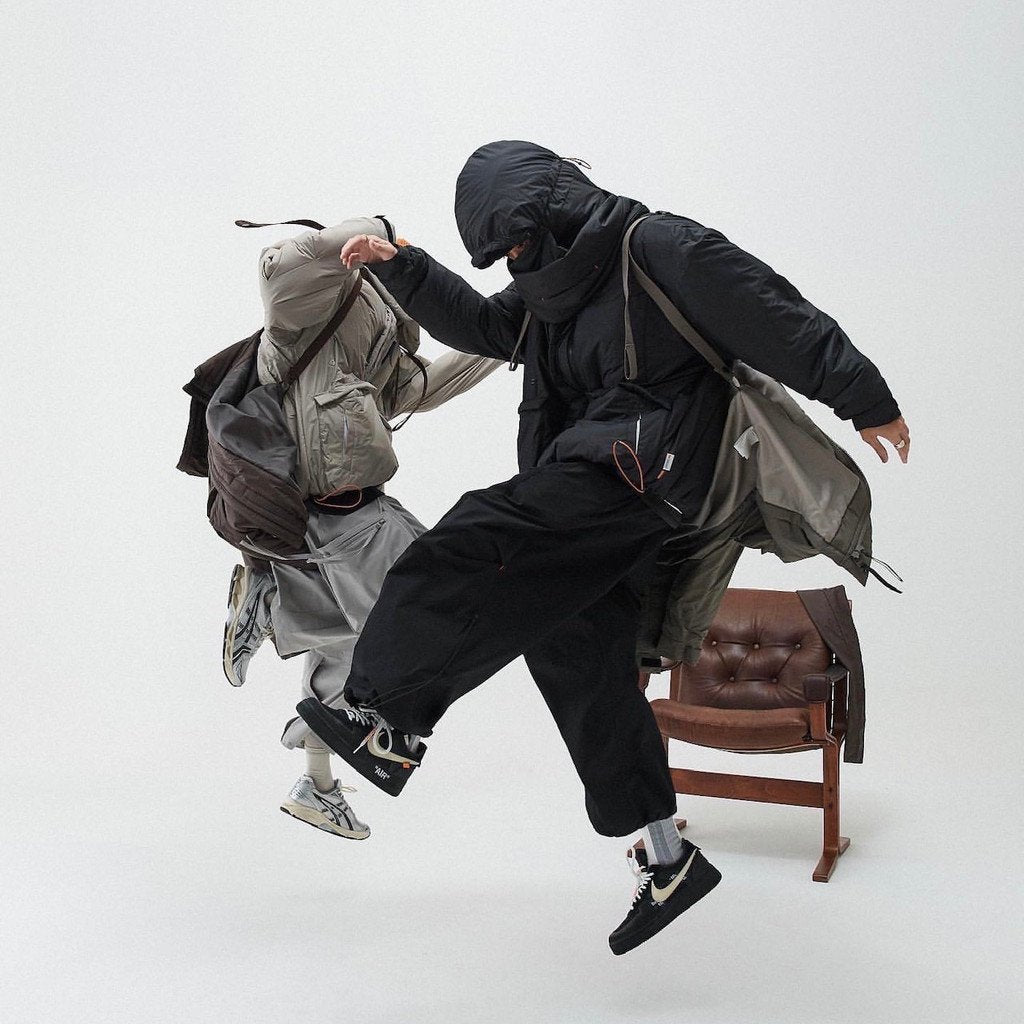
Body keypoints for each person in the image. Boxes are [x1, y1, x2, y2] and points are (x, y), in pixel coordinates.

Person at [295, 142, 910, 952]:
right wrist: (404, 267)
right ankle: (668, 857)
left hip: (645, 469)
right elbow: (488, 327)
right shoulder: (548, 286)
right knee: (574, 647)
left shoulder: (659, 247)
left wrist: (867, 400)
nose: (515, 261)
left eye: (519, 243)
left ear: (557, 212)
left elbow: (775, 316)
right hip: (590, 473)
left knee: (476, 538)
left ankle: (386, 721)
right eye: (504, 253)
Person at [221, 215, 501, 840]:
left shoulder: (381, 319)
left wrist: (505, 331)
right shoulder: (298, 309)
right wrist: (373, 232)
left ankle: (317, 785)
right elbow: (283, 264)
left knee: (346, 649)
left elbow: (415, 390)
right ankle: (270, 600)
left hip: (339, 516)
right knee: (431, 604)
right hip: (339, 516)